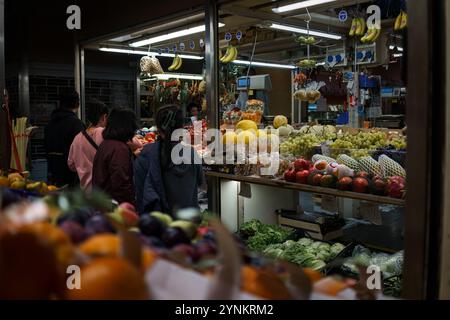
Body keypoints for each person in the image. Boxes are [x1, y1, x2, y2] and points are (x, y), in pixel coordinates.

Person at [134, 104, 203, 215]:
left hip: (158, 224)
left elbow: (140, 191)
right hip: (188, 223)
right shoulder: (192, 153)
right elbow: (200, 182)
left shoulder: (147, 153)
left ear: (158, 127)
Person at [92, 108, 138, 205]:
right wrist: (130, 205)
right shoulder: (119, 149)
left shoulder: (105, 144)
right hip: (114, 207)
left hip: (102, 202)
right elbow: (121, 183)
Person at [44, 90, 85, 187]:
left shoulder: (49, 124)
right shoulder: (76, 124)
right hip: (71, 178)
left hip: (52, 174)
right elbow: (81, 153)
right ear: (77, 104)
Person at [68, 99, 109, 191]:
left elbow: (71, 165)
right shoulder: (105, 133)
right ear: (104, 117)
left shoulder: (77, 138)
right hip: (103, 191)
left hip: (85, 191)